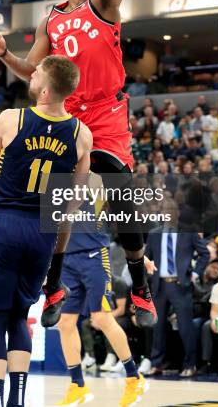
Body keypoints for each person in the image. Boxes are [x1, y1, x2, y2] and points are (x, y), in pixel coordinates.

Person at [0, 0, 157, 328]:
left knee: (122, 195)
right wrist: (5, 55)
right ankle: (53, 285)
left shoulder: (104, 5)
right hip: (69, 114)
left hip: (108, 110)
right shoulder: (51, 22)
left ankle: (140, 284)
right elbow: (32, 73)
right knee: (60, 204)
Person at [0, 56, 93, 407]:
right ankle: (17, 402)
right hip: (43, 231)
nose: (31, 73)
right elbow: (71, 208)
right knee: (20, 316)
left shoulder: (11, 119)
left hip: (5, 222)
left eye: (36, 72)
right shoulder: (83, 134)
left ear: (45, 89)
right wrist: (56, 254)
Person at [54, 173, 148, 407]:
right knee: (65, 323)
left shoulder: (94, 178)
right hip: (66, 259)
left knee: (101, 318)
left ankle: (134, 378)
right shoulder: (52, 181)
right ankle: (77, 386)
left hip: (94, 255)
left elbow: (125, 218)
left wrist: (140, 257)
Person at [145, 199, 210, 377]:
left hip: (180, 285)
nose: (169, 212)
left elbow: (205, 254)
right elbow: (146, 258)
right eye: (165, 209)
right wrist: (148, 275)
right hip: (159, 286)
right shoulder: (154, 233)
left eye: (172, 209)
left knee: (185, 327)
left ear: (177, 213)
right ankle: (156, 363)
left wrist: (195, 274)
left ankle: (190, 364)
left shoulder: (188, 232)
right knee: (157, 327)